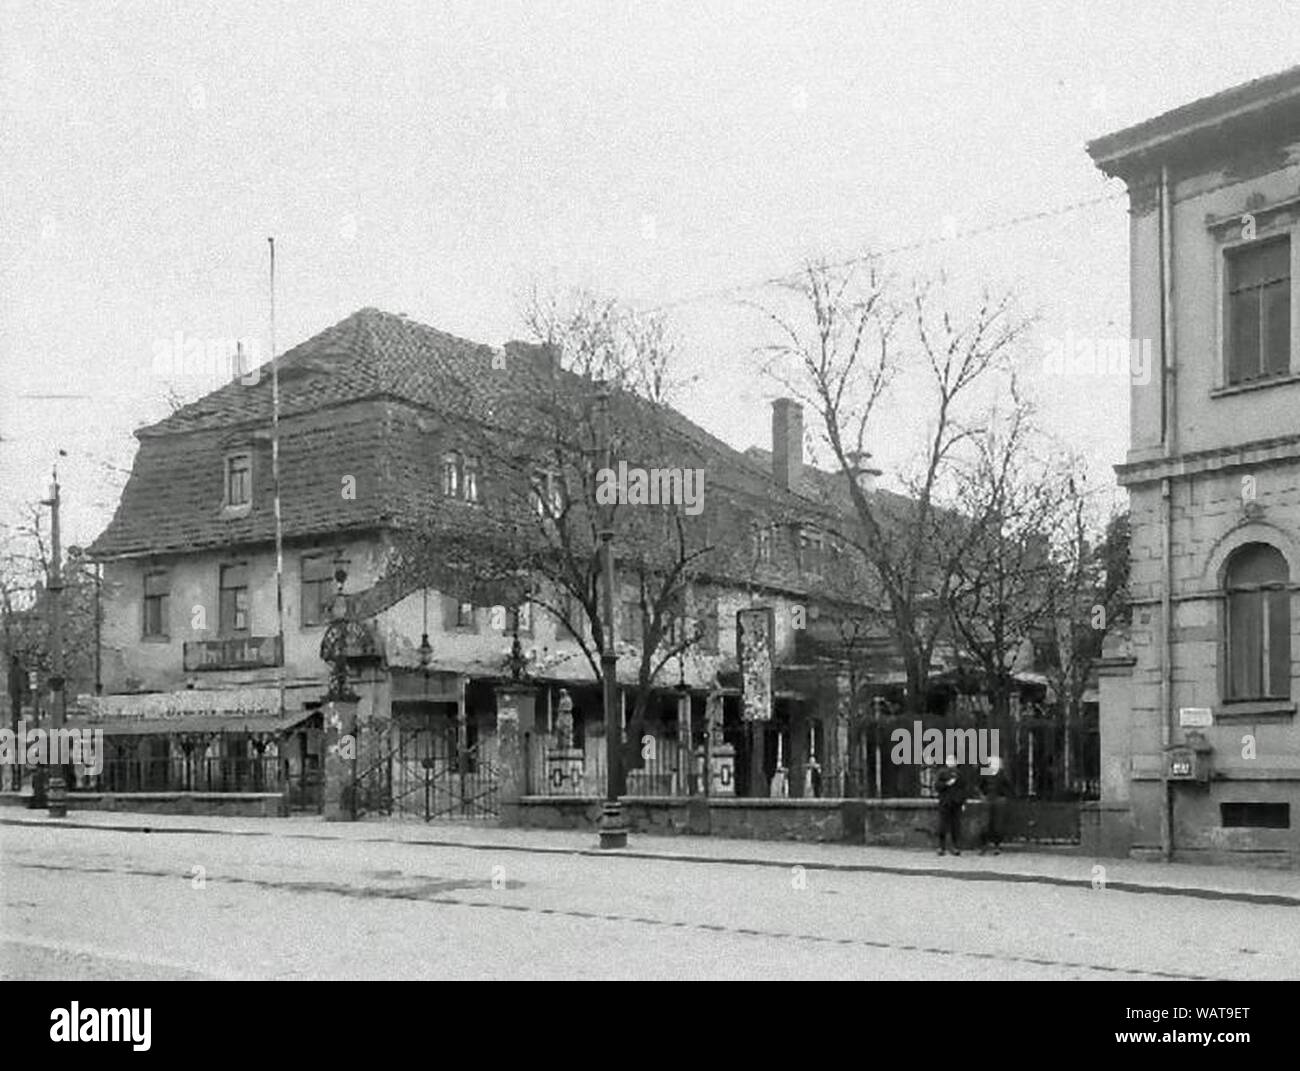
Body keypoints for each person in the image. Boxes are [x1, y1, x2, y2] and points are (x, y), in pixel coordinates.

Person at [979, 756, 1012, 855]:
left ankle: (997, 845)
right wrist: (982, 796)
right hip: (988, 799)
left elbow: (1008, 786)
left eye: (997, 763)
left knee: (998, 824)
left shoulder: (1002, 774)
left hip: (998, 800)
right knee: (985, 823)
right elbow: (980, 785)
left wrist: (1003, 797)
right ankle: (984, 845)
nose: (995, 765)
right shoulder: (985, 772)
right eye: (993, 763)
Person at [935, 755, 964, 855]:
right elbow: (937, 786)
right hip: (945, 802)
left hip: (956, 803)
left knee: (955, 826)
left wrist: (962, 802)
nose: (951, 763)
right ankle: (941, 847)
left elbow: (963, 789)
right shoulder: (941, 773)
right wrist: (947, 784)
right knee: (942, 825)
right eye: (949, 761)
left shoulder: (959, 774)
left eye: (953, 761)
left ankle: (955, 847)